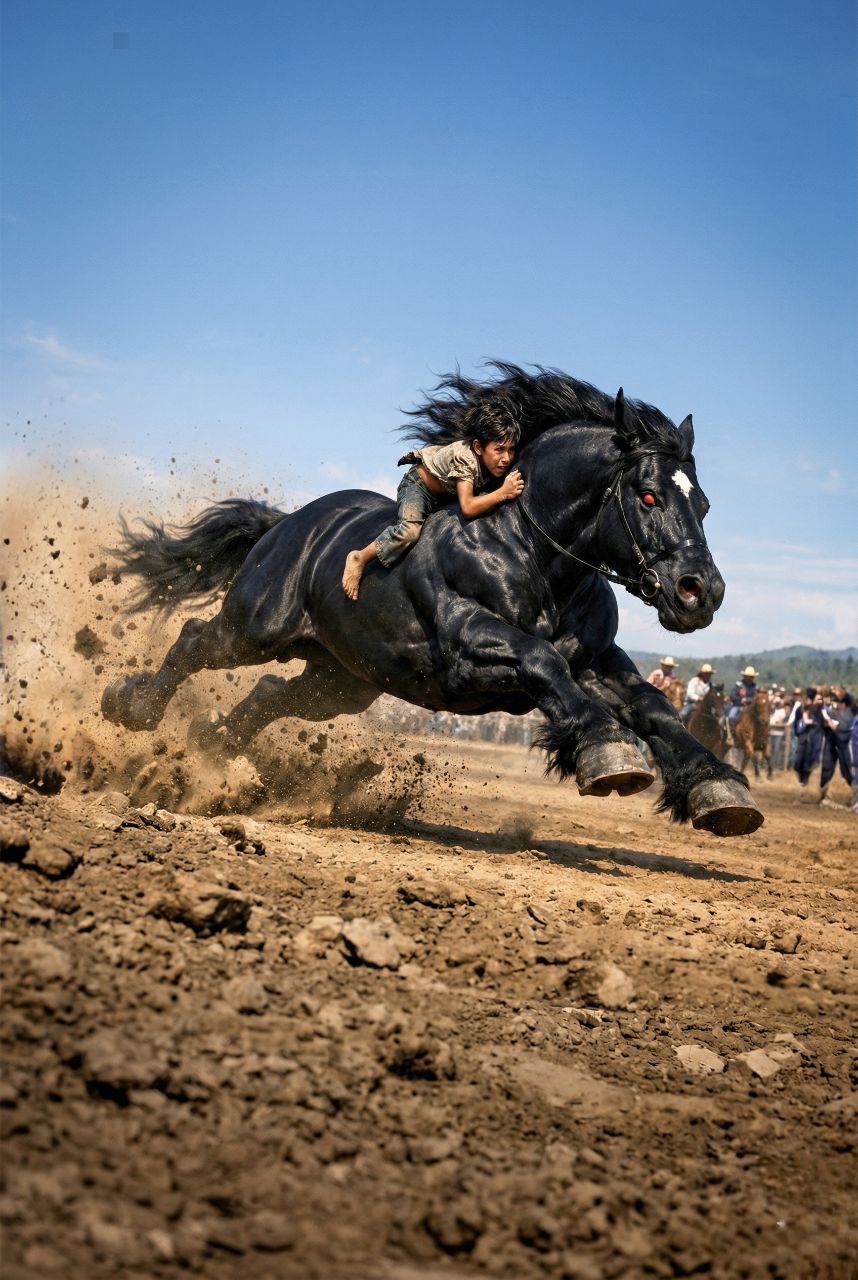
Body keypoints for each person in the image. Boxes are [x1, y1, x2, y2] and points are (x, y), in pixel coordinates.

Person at [342, 408, 524, 599]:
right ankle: (360, 558)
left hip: (443, 495)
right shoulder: (466, 459)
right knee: (409, 531)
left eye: (511, 450)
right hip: (417, 487)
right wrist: (503, 493)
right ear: (478, 448)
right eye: (499, 449)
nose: (506, 458)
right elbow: (468, 508)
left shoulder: (491, 462)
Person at [820, 689, 855, 794]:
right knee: (827, 767)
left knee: (846, 770)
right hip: (832, 743)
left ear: (844, 704)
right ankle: (822, 790)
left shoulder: (849, 715)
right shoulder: (832, 712)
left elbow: (842, 727)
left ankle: (854, 792)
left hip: (844, 744)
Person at [793, 690, 824, 787]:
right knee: (798, 762)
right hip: (802, 738)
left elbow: (820, 724)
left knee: (808, 762)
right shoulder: (799, 709)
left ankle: (805, 781)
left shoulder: (817, 710)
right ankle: (801, 778)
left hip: (812, 739)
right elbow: (796, 722)